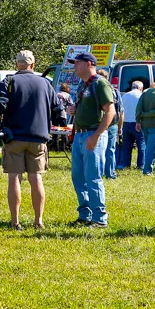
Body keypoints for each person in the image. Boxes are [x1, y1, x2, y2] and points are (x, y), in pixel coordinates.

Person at [0, 50, 58, 230]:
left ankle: (15, 222)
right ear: (33, 64)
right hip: (38, 137)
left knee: (14, 178)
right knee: (36, 178)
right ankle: (38, 221)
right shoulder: (45, 83)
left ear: (17, 64)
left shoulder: (9, 81)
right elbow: (57, 108)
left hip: (14, 137)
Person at [66, 52, 114, 228]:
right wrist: (74, 110)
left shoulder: (100, 83)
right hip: (80, 134)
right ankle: (85, 215)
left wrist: (96, 136)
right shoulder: (83, 85)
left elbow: (110, 111)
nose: (74, 66)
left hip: (93, 134)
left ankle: (99, 218)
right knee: (78, 177)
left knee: (93, 177)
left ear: (88, 64)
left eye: (77, 63)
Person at [96, 69, 121, 180]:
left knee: (98, 149)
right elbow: (120, 110)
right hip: (112, 123)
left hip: (99, 123)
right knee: (110, 149)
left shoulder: (94, 89)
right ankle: (110, 173)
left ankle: (99, 172)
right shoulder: (114, 91)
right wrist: (120, 126)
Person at [117, 81, 144, 170]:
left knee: (126, 146)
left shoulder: (125, 95)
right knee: (141, 145)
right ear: (140, 88)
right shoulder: (141, 96)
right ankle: (141, 165)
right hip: (137, 123)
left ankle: (125, 164)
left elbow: (121, 110)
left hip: (126, 122)